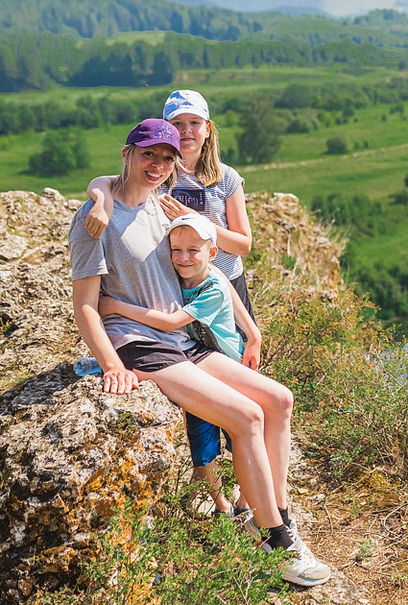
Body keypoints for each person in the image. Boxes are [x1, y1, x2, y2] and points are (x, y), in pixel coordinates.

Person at [69, 119, 330, 588]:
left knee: (279, 400)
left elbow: (210, 269)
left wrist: (251, 329)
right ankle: (275, 540)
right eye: (149, 155)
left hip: (184, 340)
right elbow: (86, 306)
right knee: (247, 416)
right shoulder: (95, 220)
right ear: (127, 153)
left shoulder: (162, 207)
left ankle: (276, 513)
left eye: (167, 159)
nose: (159, 166)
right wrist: (112, 363)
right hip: (140, 343)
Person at [84, 89, 256, 515]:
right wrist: (101, 200)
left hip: (223, 288)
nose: (186, 131)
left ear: (207, 128)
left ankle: (243, 481)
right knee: (204, 393)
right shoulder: (164, 173)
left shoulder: (225, 178)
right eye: (178, 125)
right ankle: (208, 476)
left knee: (236, 383)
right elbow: (108, 182)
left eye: (193, 123)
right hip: (178, 294)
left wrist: (199, 224)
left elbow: (244, 244)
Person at [99, 212, 257, 520]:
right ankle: (222, 505)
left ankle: (246, 502)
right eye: (176, 250)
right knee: (202, 440)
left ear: (211, 254)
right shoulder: (179, 276)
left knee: (238, 436)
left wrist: (115, 306)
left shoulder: (210, 286)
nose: (182, 258)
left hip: (226, 364)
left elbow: (172, 322)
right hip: (196, 361)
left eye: (192, 251)